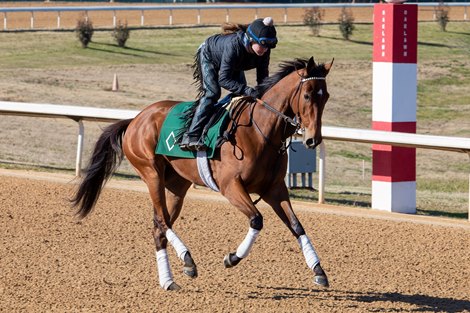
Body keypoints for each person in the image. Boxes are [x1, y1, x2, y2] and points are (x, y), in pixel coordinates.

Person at [179, 17, 278, 151]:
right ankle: (190, 136)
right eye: (263, 44)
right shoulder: (233, 46)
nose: (265, 49)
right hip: (209, 55)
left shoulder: (264, 51)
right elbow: (224, 80)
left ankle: (222, 124)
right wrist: (248, 90)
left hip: (234, 63)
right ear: (251, 39)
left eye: (269, 46)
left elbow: (262, 80)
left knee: (241, 95)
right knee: (212, 93)